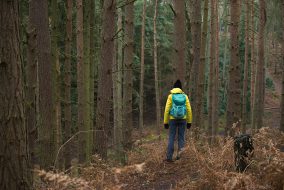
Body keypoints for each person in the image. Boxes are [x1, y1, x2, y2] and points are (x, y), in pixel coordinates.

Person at [163, 79, 192, 162]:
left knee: (171, 137)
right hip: (183, 119)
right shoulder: (185, 96)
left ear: (174, 87)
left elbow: (167, 109)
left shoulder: (170, 96)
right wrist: (189, 121)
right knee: (181, 138)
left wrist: (165, 122)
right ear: (181, 88)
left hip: (173, 119)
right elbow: (189, 109)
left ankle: (169, 157)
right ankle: (180, 157)